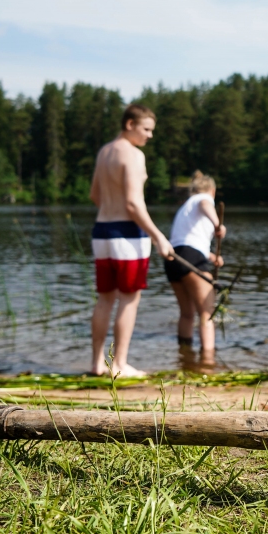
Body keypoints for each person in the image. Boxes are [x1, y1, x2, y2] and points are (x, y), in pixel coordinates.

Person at [89, 103, 173, 377]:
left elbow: (94, 195)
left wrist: (110, 212)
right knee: (129, 300)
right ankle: (120, 365)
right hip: (128, 235)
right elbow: (134, 204)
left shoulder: (104, 152)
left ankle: (96, 363)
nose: (150, 135)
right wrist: (159, 236)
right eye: (146, 129)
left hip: (102, 231)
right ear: (129, 125)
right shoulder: (134, 155)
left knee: (104, 300)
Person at [164, 171, 225, 363]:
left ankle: (185, 357)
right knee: (207, 313)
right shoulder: (203, 199)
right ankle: (208, 362)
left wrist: (211, 256)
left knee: (187, 313)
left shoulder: (185, 207)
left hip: (173, 259)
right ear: (212, 190)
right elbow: (205, 204)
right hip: (190, 257)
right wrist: (217, 225)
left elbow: (187, 242)